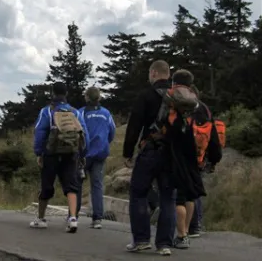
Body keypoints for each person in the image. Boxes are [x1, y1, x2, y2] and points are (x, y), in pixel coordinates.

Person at [123, 60, 175, 256]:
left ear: (154, 73)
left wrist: (128, 153)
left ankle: (142, 240)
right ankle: (164, 244)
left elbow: (134, 125)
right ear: (168, 74)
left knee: (138, 193)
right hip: (172, 155)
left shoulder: (146, 96)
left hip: (150, 151)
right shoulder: (177, 97)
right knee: (168, 198)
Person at [30, 81, 89, 233]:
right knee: (71, 186)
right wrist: (82, 153)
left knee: (47, 186)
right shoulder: (75, 112)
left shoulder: (47, 111)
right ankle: (73, 219)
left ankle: (41, 219)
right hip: (71, 154)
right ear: (66, 94)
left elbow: (40, 132)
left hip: (51, 154)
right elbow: (84, 134)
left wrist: (39, 152)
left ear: (52, 93)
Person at [163, 70, 206, 250]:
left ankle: (181, 235)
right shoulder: (200, 106)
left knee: (178, 199)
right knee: (189, 195)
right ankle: (186, 230)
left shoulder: (170, 99)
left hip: (174, 153)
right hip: (195, 156)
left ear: (174, 82)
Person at [185, 85, 223, 239]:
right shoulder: (206, 110)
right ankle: (197, 223)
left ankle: (192, 225)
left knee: (190, 191)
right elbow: (213, 137)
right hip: (202, 157)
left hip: (189, 157)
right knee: (196, 189)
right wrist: (214, 160)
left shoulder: (189, 110)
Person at [76, 86, 116, 229]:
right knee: (97, 185)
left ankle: (73, 215)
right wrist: (105, 143)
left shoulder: (81, 112)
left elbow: (76, 132)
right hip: (100, 153)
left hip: (84, 154)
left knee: (77, 184)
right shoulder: (106, 113)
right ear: (99, 97)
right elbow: (112, 131)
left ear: (87, 97)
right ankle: (97, 218)